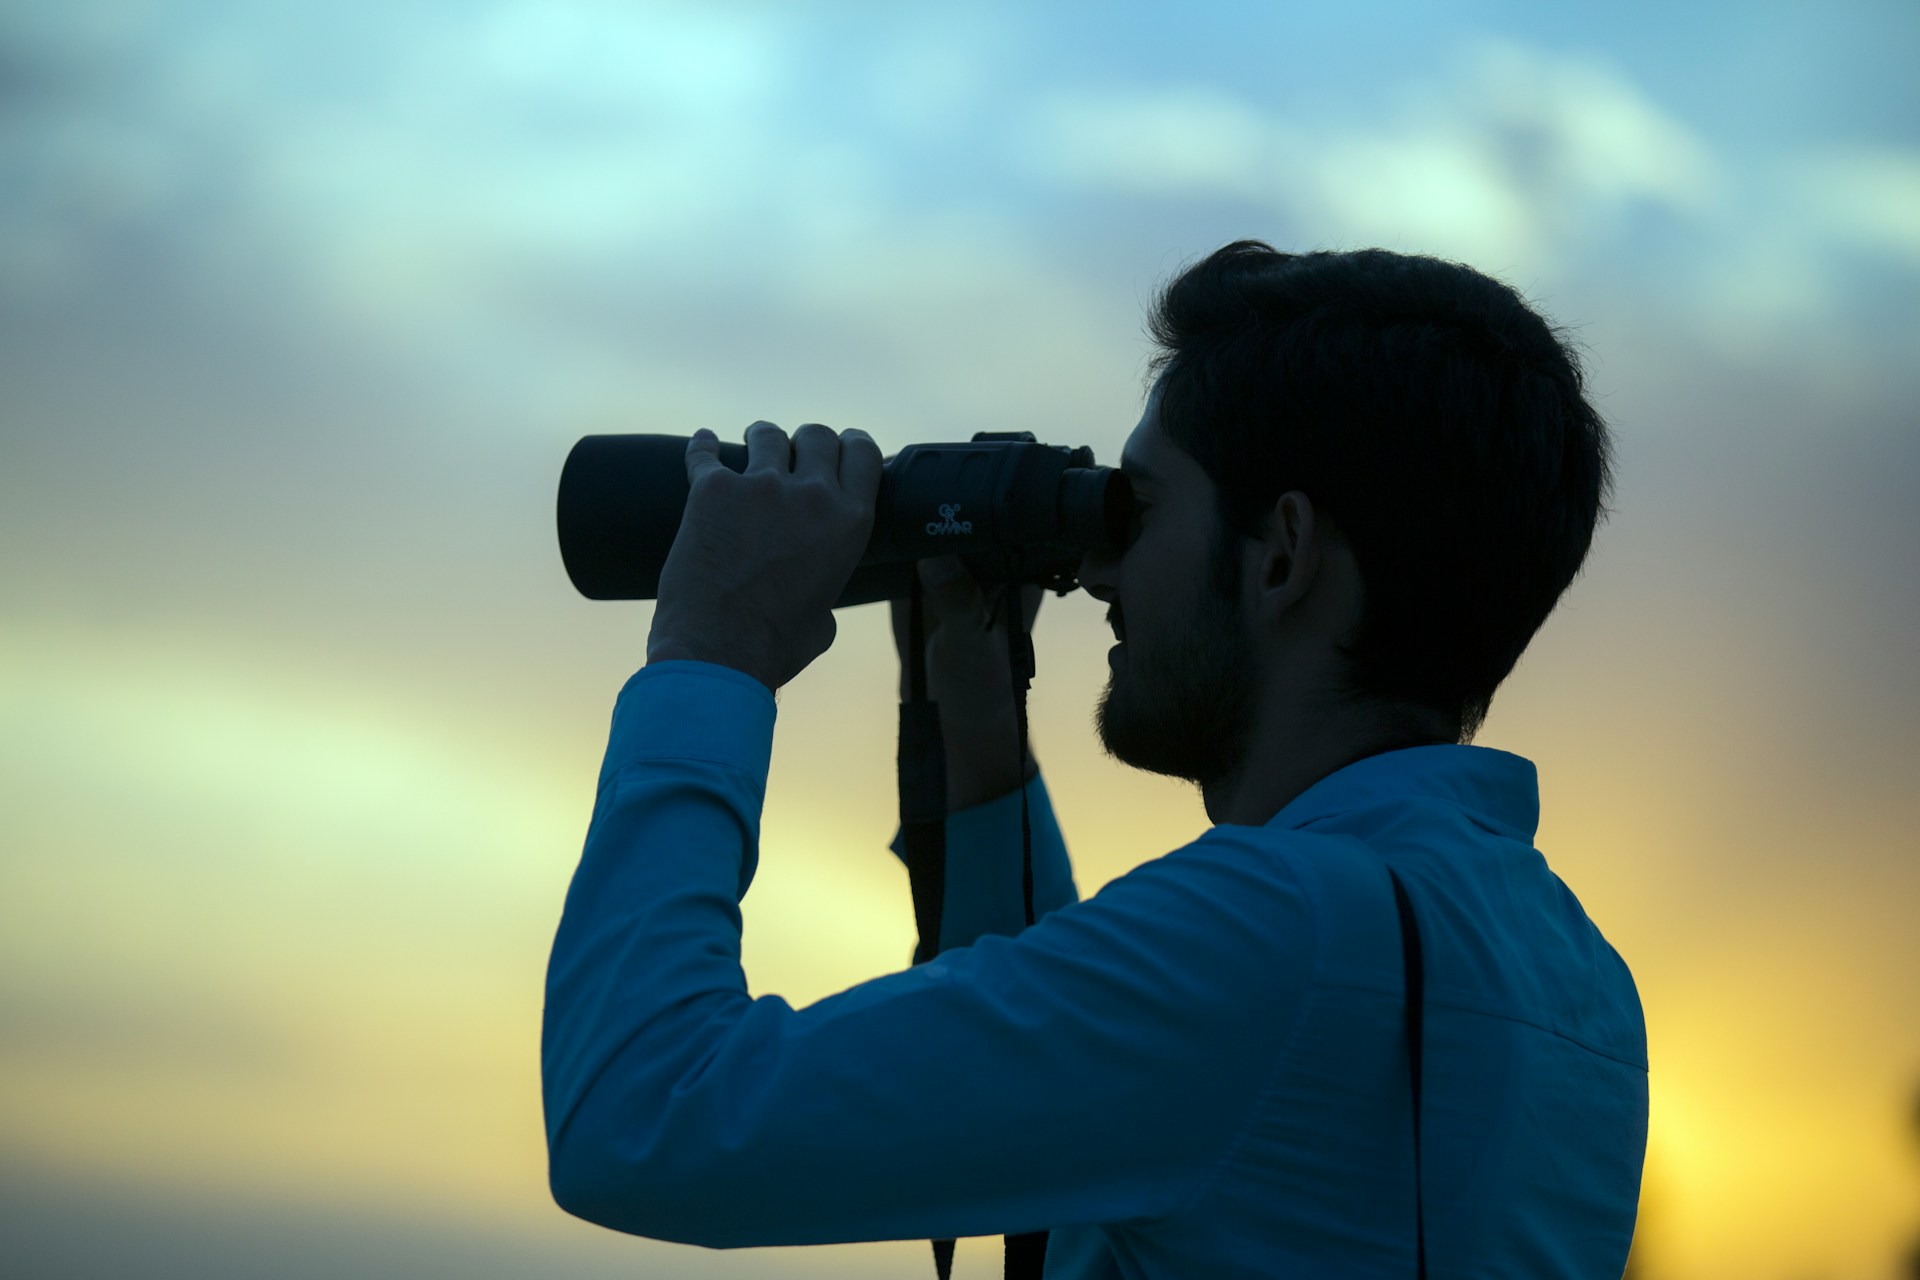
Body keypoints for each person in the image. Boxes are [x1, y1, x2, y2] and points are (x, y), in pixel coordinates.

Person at [542, 241, 1649, 1276]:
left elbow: (642, 1114)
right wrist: (983, 752)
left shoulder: (1275, 927)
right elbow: (1097, 1148)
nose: (1100, 576)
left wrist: (712, 654)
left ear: (1284, 556)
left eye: (1140, 507)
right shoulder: (1580, 979)